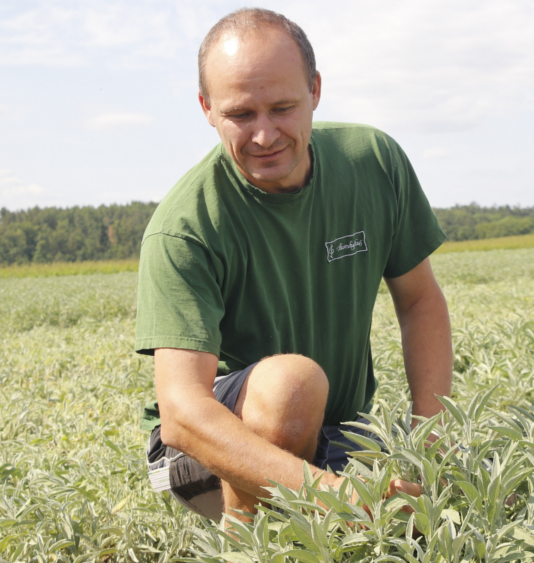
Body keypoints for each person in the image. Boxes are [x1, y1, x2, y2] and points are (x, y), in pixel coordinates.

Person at [136, 7, 452, 522]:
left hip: (337, 432)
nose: (264, 136)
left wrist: (432, 440)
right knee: (291, 385)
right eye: (240, 114)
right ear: (207, 108)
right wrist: (340, 495)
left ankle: (314, 508)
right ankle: (247, 544)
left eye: (282, 107)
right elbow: (183, 416)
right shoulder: (185, 226)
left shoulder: (373, 162)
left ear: (315, 91)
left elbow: (420, 301)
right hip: (202, 453)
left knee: (451, 513)